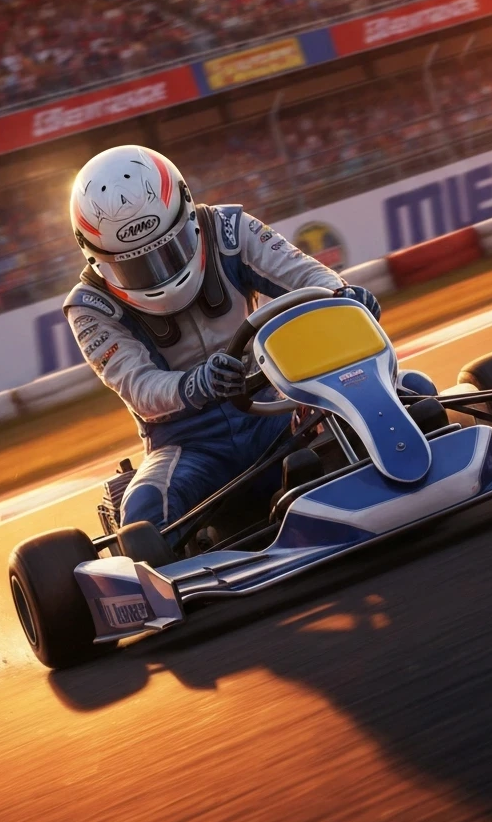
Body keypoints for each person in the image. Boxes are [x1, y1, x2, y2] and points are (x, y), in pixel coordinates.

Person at [64, 144, 381, 535]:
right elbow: (139, 388)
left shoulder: (228, 230)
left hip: (274, 406)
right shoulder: (90, 306)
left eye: (170, 249)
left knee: (402, 394)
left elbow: (309, 278)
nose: (160, 274)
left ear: (186, 210)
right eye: (136, 266)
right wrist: (196, 385)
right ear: (97, 256)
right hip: (189, 445)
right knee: (144, 515)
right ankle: (204, 537)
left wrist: (343, 299)